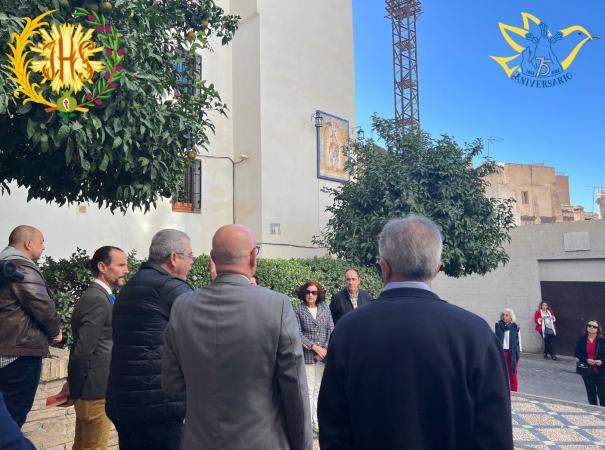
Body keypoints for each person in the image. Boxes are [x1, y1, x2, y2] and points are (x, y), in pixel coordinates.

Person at [318, 215, 513, 450]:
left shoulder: (347, 331)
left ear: (383, 266)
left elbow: (333, 429)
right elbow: (495, 436)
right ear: (438, 268)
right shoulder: (476, 334)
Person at [162, 224, 312, 450]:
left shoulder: (182, 307)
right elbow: (295, 394)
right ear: (253, 257)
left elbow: (172, 385)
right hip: (262, 442)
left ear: (213, 258)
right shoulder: (276, 306)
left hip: (199, 441)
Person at [106, 230, 194, 450]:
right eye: (190, 256)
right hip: (157, 405)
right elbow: (205, 331)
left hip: (124, 401)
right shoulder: (170, 288)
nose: (192, 263)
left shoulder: (133, 285)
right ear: (174, 258)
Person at [66, 246, 128, 450]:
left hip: (97, 389)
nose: (126, 270)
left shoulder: (102, 296)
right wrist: (74, 388)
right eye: (121, 265)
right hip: (95, 391)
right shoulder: (96, 299)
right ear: (103, 267)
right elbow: (83, 350)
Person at [0, 225, 62, 427]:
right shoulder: (21, 266)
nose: (44, 247)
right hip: (19, 353)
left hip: (8, 349)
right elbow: (41, 305)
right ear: (28, 243)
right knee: (13, 420)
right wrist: (55, 331)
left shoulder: (4, 265)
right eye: (41, 242)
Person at [293, 281, 334, 433]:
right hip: (308, 356)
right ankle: (308, 423)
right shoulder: (298, 309)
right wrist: (314, 347)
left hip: (323, 356)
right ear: (304, 293)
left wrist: (324, 350)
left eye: (314, 292)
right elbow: (297, 333)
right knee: (309, 390)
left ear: (318, 294)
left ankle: (317, 421)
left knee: (319, 389)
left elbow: (331, 329)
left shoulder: (325, 308)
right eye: (308, 292)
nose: (310, 295)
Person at [575, 319, 605, 406]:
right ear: (586, 327)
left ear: (598, 329)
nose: (591, 327)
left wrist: (602, 361)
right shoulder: (581, 339)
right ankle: (593, 411)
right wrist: (586, 360)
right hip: (587, 370)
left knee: (602, 393)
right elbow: (577, 352)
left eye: (594, 326)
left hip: (601, 371)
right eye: (589, 325)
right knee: (591, 392)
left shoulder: (602, 341)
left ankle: (603, 412)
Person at [495, 308, 522, 392]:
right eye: (503, 315)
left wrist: (517, 353)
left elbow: (519, 342)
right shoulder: (498, 326)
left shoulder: (515, 327)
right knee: (501, 373)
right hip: (501, 352)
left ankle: (514, 392)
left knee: (512, 373)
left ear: (511, 317)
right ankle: (502, 391)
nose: (504, 317)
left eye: (506, 315)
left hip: (512, 353)